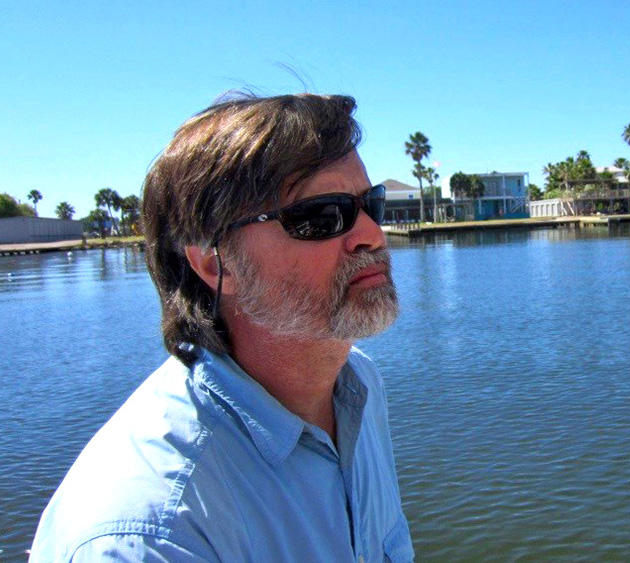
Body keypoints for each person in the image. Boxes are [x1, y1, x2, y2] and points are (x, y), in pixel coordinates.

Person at [30, 93, 414, 562]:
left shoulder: (359, 388)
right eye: (321, 215)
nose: (373, 235)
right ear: (215, 263)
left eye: (369, 204)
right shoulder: (157, 536)